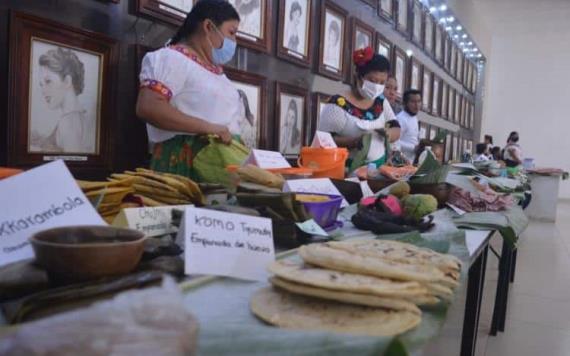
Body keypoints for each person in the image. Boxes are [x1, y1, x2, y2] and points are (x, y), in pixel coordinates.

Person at [136, 0, 242, 179]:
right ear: (208, 26)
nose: (234, 41)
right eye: (231, 33)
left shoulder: (218, 74)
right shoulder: (171, 59)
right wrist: (210, 129)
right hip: (187, 164)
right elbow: (149, 107)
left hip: (223, 164)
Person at [318, 47, 396, 170]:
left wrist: (388, 134)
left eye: (382, 83)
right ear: (358, 77)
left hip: (379, 171)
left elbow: (396, 127)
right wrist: (353, 142)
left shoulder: (381, 102)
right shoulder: (337, 104)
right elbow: (323, 141)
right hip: (346, 171)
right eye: (372, 80)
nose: (377, 86)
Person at [31, 47, 94, 154]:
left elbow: (72, 163)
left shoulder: (68, 121)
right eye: (41, 84)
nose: (43, 91)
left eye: (48, 81)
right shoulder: (79, 116)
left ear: (67, 81)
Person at [396, 89, 422, 162]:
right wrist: (413, 148)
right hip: (400, 163)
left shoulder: (414, 118)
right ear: (405, 103)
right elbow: (394, 142)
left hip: (411, 162)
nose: (417, 105)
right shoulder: (400, 119)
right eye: (413, 102)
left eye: (419, 101)